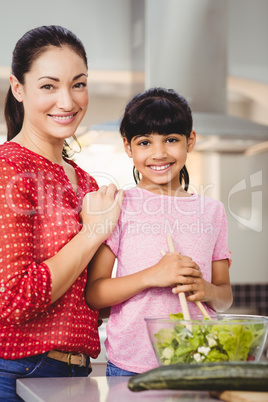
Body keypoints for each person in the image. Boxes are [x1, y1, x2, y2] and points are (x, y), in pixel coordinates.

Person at [0, 25, 123, 401]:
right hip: (16, 371)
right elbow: (15, 299)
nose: (67, 101)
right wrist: (93, 233)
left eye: (78, 84)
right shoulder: (9, 169)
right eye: (49, 86)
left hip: (77, 370)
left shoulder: (86, 182)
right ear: (18, 88)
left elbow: (89, 301)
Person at [86, 87, 233, 376]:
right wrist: (153, 275)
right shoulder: (119, 206)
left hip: (197, 361)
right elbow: (94, 293)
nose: (159, 153)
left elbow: (225, 295)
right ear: (128, 147)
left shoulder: (212, 211)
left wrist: (208, 290)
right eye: (144, 142)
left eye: (171, 140)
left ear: (190, 141)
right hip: (131, 366)